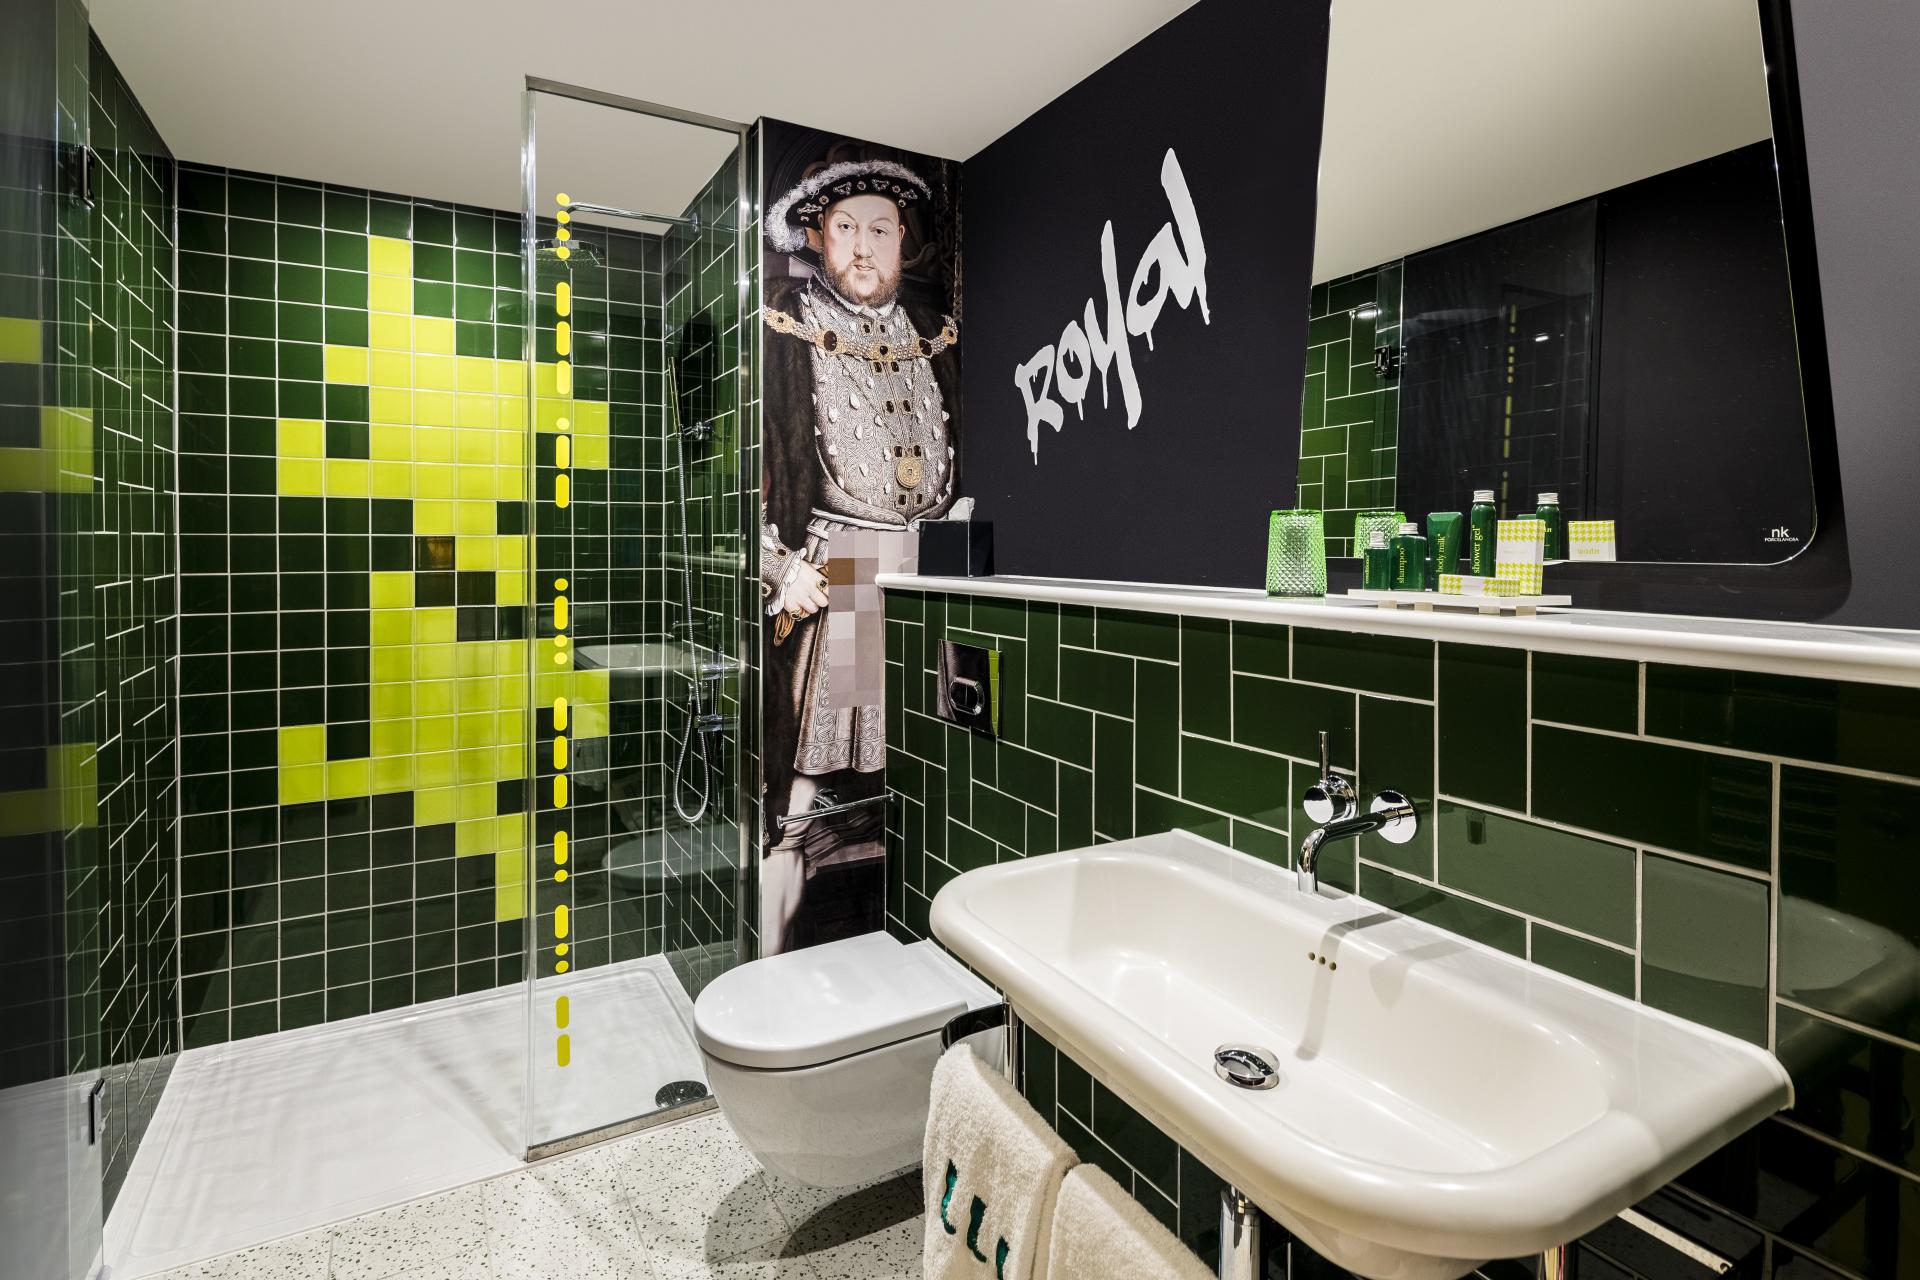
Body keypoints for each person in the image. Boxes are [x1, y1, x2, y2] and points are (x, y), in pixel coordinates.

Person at [759, 158, 960, 952]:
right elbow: (756, 461)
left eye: (881, 229)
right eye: (847, 229)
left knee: (929, 766)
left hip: (935, 567)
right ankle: (767, 966)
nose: (866, 248)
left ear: (903, 239)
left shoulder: (937, 331)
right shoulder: (785, 320)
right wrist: (780, 567)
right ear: (817, 235)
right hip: (847, 564)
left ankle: (920, 951)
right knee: (808, 793)